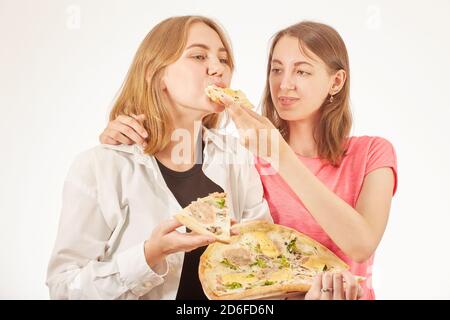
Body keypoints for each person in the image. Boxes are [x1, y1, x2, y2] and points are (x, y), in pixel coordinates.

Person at [101, 20, 397, 300]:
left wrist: (279, 154)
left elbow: (360, 244)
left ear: (336, 81)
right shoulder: (244, 159)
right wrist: (132, 136)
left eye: (302, 72)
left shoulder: (372, 153)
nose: (284, 84)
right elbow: (245, 269)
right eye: (276, 69)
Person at [47, 15, 272, 300]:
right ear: (156, 73)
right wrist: (149, 256)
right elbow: (64, 289)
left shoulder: (238, 159)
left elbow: (265, 270)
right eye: (199, 56)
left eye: (224, 60)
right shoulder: (100, 167)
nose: (217, 69)